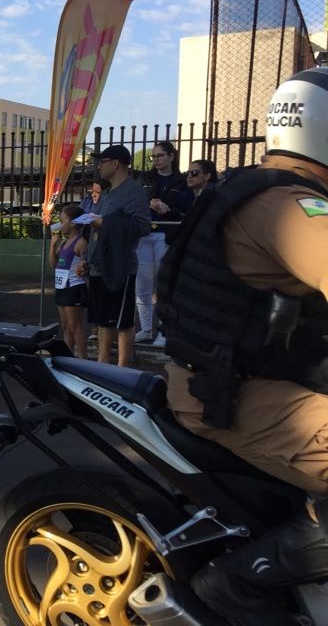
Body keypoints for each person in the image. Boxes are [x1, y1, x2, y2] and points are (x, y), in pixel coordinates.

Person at [157, 65, 328, 626]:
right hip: (233, 395)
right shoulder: (289, 206)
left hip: (247, 377)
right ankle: (234, 585)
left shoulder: (262, 187)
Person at [78, 144, 150, 367]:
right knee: (103, 320)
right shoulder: (107, 193)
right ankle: (102, 363)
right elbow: (96, 225)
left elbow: (143, 226)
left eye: (102, 162)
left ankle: (122, 368)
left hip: (119, 266)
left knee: (122, 321)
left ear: (115, 163)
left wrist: (105, 222)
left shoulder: (134, 192)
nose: (98, 166)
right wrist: (86, 258)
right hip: (100, 265)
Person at [135, 140, 186, 346]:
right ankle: (146, 329)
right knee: (143, 285)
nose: (156, 160)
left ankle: (164, 331)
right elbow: (137, 201)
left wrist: (168, 210)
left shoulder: (181, 180)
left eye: (160, 156)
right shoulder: (145, 178)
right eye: (153, 156)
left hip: (166, 234)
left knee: (164, 285)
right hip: (145, 234)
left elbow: (185, 209)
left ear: (171, 156)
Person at [49, 203, 89, 358]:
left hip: (74, 287)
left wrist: (83, 264)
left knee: (75, 325)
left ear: (73, 223)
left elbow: (85, 261)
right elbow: (53, 265)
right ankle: (68, 357)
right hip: (62, 287)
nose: (60, 224)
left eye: (62, 220)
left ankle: (83, 359)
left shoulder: (80, 242)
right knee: (65, 327)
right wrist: (53, 244)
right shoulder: (63, 242)